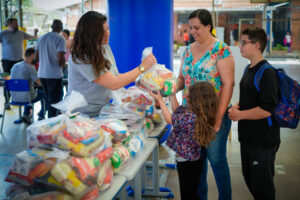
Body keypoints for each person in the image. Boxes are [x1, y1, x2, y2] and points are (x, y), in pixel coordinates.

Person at [177, 9, 235, 200]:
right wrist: (165, 86)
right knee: (196, 163)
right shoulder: (187, 49)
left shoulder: (221, 50)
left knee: (216, 160)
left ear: (208, 26)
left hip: (212, 115)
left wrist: (218, 118)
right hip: (190, 117)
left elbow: (228, 84)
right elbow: (181, 79)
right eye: (190, 27)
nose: (193, 31)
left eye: (197, 28)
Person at [67, 11, 156, 118]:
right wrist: (142, 67)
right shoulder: (82, 56)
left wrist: (145, 78)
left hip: (101, 111)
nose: (107, 34)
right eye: (101, 32)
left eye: (107, 29)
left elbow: (116, 76)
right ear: (90, 34)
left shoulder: (103, 47)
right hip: (81, 115)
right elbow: (114, 83)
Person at [228, 27, 280, 200]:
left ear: (257, 45)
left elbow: (267, 109)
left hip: (262, 139)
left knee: (262, 186)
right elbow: (250, 98)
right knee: (250, 179)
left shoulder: (267, 73)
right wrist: (238, 106)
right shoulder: (249, 69)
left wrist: (240, 115)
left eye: (244, 42)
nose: (240, 46)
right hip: (248, 137)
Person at [149, 82, 218, 200]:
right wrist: (172, 95)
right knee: (190, 191)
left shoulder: (192, 118)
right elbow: (177, 110)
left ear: (197, 100)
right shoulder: (194, 112)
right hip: (190, 160)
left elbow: (170, 119)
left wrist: (160, 100)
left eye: (188, 96)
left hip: (188, 163)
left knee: (188, 193)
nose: (185, 96)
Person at [0, 18, 38, 110]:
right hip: (7, 62)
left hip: (19, 62)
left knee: (25, 82)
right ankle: (7, 101)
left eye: (17, 23)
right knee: (7, 82)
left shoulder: (21, 33)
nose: (16, 25)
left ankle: (25, 104)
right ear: (8, 24)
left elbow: (32, 38)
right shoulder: (2, 34)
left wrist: (35, 32)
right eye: (14, 24)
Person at [35, 19, 66, 118]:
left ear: (51, 27)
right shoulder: (60, 39)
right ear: (61, 28)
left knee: (48, 99)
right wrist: (64, 66)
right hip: (54, 75)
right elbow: (60, 59)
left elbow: (36, 58)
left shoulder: (41, 38)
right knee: (55, 101)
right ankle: (51, 123)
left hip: (42, 74)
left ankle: (46, 120)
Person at [10, 48, 45, 124]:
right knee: (46, 94)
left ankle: (26, 115)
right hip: (27, 98)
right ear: (33, 55)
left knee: (28, 92)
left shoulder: (15, 66)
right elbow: (40, 83)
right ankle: (41, 116)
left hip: (14, 97)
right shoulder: (30, 68)